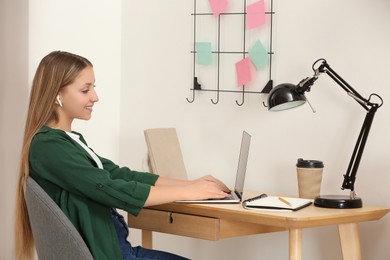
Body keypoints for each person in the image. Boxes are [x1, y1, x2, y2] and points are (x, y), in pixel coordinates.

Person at [15, 51, 231, 260]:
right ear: (57, 95)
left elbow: (119, 175)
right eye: (85, 90)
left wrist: (190, 185)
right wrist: (190, 191)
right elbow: (108, 188)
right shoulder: (49, 146)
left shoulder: (68, 140)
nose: (95, 97)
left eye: (94, 87)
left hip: (119, 251)